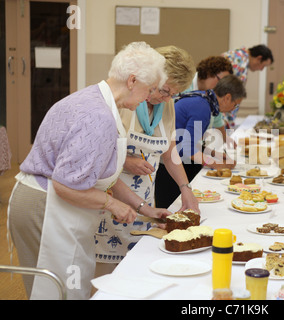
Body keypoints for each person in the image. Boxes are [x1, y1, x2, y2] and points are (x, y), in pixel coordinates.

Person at [7, 41, 171, 300]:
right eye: (149, 89)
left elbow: (100, 174)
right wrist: (113, 205)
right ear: (132, 81)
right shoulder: (97, 116)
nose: (149, 97)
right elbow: (66, 185)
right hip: (44, 205)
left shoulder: (98, 101)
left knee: (71, 287)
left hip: (50, 202)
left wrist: (144, 209)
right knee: (54, 291)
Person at [94, 45, 199, 275]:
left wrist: (185, 188)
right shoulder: (124, 100)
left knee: (136, 270)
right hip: (110, 200)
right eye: (163, 90)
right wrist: (124, 162)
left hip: (144, 203)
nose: (166, 98)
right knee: (106, 275)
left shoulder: (166, 104)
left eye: (173, 93)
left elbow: (169, 152)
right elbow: (97, 156)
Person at [155, 75, 246, 209]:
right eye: (235, 104)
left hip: (173, 161)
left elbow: (191, 140)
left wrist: (215, 154)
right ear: (227, 97)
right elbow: (188, 148)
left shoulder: (204, 99)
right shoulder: (202, 108)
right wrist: (215, 164)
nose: (234, 108)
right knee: (171, 212)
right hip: (169, 168)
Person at [183, 55, 235, 148]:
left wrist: (225, 138)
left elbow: (217, 118)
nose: (221, 87)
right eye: (221, 81)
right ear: (209, 73)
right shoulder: (184, 85)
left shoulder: (211, 94)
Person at [221, 44, 274, 128]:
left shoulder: (239, 55)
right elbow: (226, 94)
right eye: (263, 66)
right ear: (259, 58)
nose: (261, 69)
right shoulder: (239, 62)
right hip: (221, 111)